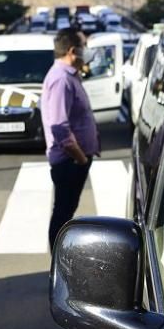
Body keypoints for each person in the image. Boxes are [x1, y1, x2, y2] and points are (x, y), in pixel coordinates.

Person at [42, 28, 99, 248]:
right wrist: (80, 159)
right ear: (73, 51)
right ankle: (58, 260)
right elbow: (60, 128)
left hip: (74, 160)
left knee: (66, 210)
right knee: (63, 213)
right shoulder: (60, 80)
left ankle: (61, 257)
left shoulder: (69, 76)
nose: (88, 51)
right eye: (84, 46)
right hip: (69, 161)